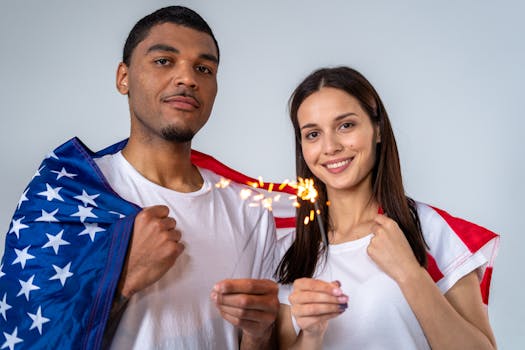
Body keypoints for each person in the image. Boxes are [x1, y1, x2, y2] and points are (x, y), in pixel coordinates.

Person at [0, 6, 282, 349]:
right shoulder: (65, 195)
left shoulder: (251, 213)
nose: (188, 78)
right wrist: (124, 278)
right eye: (164, 60)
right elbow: (29, 335)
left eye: (204, 68)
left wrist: (260, 332)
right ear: (123, 78)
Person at [275, 66, 499, 349]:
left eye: (346, 125)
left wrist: (410, 273)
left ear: (377, 130)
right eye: (313, 134)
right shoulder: (290, 251)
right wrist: (311, 334)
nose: (329, 147)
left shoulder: (429, 229)